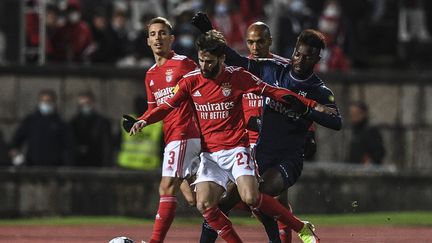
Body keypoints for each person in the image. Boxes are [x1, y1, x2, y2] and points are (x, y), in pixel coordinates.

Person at [131, 30, 333, 243]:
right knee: (204, 204)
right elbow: (167, 107)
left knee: (251, 197)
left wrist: (312, 105)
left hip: (237, 150)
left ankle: (301, 228)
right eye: (201, 60)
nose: (204, 66)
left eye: (209, 62)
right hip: (210, 155)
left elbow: (271, 91)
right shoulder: (190, 81)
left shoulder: (238, 77)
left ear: (222, 58)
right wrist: (144, 120)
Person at [191, 12, 342, 243]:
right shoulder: (273, 70)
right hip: (259, 152)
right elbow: (236, 60)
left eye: (308, 57)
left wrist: (306, 113)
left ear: (317, 59)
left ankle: (296, 232)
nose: (300, 60)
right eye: (298, 54)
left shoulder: (319, 90)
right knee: (221, 206)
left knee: (260, 194)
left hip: (288, 158)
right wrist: (209, 31)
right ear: (293, 52)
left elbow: (336, 121)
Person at [138, 17, 202, 243]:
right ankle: (257, 202)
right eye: (153, 34)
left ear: (171, 39)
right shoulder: (150, 75)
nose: (158, 38)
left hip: (185, 133)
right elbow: (154, 110)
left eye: (163, 33)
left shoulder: (184, 64)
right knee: (197, 199)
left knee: (166, 187)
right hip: (172, 136)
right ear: (148, 41)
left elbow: (203, 92)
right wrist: (139, 120)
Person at [9, 89, 74, 166]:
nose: (46, 103)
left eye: (49, 101)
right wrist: (18, 160)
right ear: (39, 102)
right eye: (43, 100)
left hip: (54, 167)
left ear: (54, 102)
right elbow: (16, 141)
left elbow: (69, 145)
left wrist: (67, 164)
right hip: (32, 165)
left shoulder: (60, 123)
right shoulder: (30, 121)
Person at [70, 91, 112, 167]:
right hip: (78, 163)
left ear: (93, 103)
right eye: (82, 104)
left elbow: (106, 144)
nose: (85, 106)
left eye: (87, 103)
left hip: (98, 162)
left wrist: (107, 163)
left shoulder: (102, 122)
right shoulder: (73, 122)